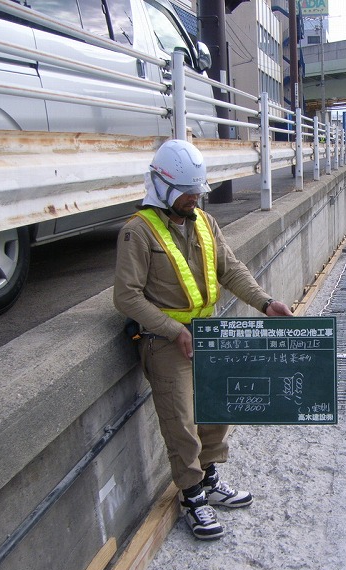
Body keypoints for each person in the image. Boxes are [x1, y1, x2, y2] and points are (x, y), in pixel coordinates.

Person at [113, 139, 293, 540]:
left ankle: (209, 478)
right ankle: (192, 495)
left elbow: (230, 270)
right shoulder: (137, 233)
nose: (193, 200)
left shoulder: (204, 223)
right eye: (186, 194)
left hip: (207, 334)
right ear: (161, 186)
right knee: (180, 421)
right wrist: (173, 329)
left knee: (219, 406)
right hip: (165, 341)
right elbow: (126, 296)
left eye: (197, 192)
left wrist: (266, 303)